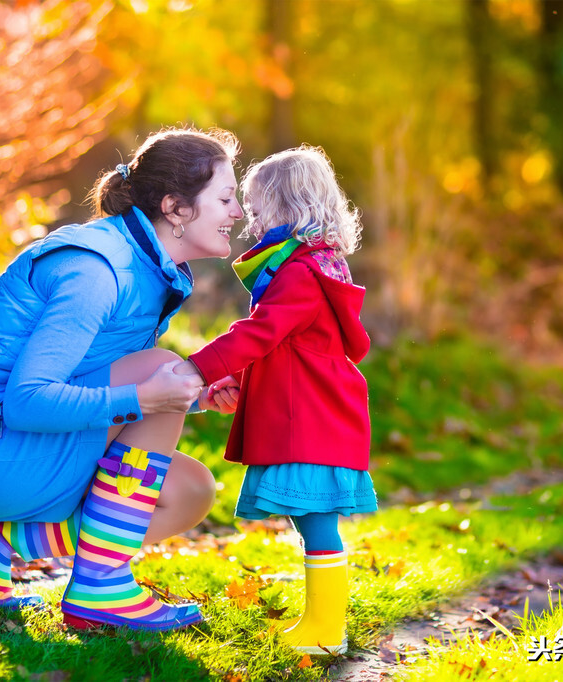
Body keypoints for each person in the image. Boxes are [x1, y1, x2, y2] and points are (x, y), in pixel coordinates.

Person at [0, 127, 242, 632]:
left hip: (18, 442)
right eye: (226, 198)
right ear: (176, 207)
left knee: (189, 490)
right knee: (163, 367)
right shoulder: (97, 271)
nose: (238, 213)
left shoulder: (147, 267)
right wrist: (153, 391)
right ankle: (101, 586)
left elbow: (97, 381)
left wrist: (191, 397)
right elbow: (28, 401)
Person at [175, 146, 376, 654]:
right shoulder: (311, 265)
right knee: (311, 523)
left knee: (315, 523)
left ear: (290, 205)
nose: (249, 215)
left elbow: (260, 333)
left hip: (309, 420)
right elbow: (288, 345)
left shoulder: (301, 273)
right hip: (313, 411)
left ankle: (326, 630)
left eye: (258, 204)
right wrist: (240, 380)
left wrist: (198, 367)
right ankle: (321, 624)